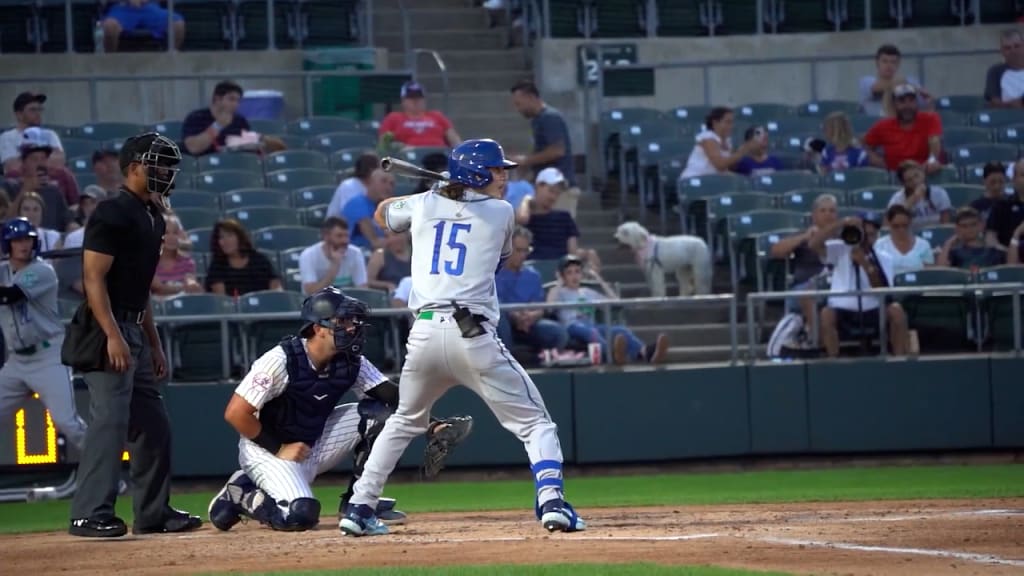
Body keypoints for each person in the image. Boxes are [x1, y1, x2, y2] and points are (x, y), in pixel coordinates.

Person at [339, 139, 587, 536]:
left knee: (404, 421)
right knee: (536, 424)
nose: (504, 176)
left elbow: (385, 214)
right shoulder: (501, 211)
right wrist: (443, 195)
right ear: (476, 174)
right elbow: (497, 254)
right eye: (497, 170)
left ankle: (359, 508)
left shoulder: (426, 204)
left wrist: (432, 196)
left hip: (423, 335)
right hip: (472, 335)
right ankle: (553, 502)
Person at [207, 287, 473, 532]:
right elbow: (236, 413)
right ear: (318, 328)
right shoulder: (281, 359)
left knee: (383, 415)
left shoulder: (350, 360)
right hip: (268, 451)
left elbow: (393, 399)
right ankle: (239, 492)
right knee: (301, 515)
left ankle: (357, 503)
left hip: (313, 443)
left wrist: (433, 424)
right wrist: (278, 448)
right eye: (343, 321)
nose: (352, 327)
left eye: (352, 321)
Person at [69, 132, 202, 537]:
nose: (165, 172)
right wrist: (113, 335)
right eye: (157, 164)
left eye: (167, 164)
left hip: (136, 329)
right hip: (104, 325)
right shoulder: (112, 212)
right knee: (109, 421)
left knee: (154, 424)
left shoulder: (154, 215)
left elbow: (141, 287)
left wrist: (154, 342)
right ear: (133, 168)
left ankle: (153, 512)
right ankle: (89, 512)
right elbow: (93, 279)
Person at [0, 218, 87, 463]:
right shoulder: (3, 270)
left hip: (48, 355)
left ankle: (107, 475)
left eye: (27, 239)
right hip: (16, 360)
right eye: (17, 240)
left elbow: (10, 295)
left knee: (68, 423)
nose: (23, 245)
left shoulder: (42, 271)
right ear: (7, 244)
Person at [816, 214, 908, 358]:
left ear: (877, 236)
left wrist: (865, 263)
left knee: (897, 311)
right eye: (865, 234)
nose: (867, 239)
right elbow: (814, 244)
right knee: (826, 314)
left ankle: (898, 359)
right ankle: (832, 360)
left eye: (871, 235)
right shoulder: (840, 250)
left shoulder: (884, 257)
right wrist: (841, 223)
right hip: (842, 308)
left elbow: (883, 291)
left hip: (874, 309)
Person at [547, 254, 667, 365]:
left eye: (577, 272)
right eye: (569, 273)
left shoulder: (588, 292)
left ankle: (644, 352)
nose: (574, 276)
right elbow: (550, 307)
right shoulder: (559, 292)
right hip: (572, 325)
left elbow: (615, 302)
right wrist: (559, 282)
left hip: (592, 325)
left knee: (620, 330)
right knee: (592, 333)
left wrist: (598, 278)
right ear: (563, 276)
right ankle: (614, 356)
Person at [509, 80, 580, 217]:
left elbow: (557, 150)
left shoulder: (550, 118)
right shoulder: (537, 121)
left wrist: (525, 160)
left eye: (519, 104)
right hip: (546, 188)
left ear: (531, 97)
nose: (518, 109)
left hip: (560, 188)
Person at [496, 227, 569, 355]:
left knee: (558, 333)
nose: (523, 255)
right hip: (504, 323)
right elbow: (496, 304)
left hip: (528, 324)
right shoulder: (494, 273)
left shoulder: (533, 275)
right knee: (500, 318)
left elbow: (540, 307)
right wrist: (514, 316)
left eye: (526, 250)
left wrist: (532, 316)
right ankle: (507, 364)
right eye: (518, 250)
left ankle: (546, 362)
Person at [2, 129, 73, 231]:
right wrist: (25, 190)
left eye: (43, 159)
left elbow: (68, 222)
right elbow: (5, 222)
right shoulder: (9, 186)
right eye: (34, 159)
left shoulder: (54, 191)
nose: (40, 164)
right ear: (23, 163)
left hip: (52, 244)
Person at [863, 84, 944, 173]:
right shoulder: (883, 126)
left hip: (925, 173)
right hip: (896, 177)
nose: (907, 106)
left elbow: (934, 140)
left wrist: (932, 160)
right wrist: (878, 161)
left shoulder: (930, 119)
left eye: (911, 100)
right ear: (894, 105)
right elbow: (864, 146)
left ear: (916, 102)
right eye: (902, 101)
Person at [205, 218, 282, 296]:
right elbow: (222, 300)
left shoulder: (259, 259)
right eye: (221, 237)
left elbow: (276, 288)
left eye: (230, 235)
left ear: (239, 237)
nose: (225, 240)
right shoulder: (217, 266)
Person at [182, 81, 261, 157]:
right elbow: (193, 148)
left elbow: (250, 148)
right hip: (205, 166)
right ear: (217, 99)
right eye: (231, 99)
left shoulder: (240, 121)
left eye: (238, 101)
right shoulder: (196, 117)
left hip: (234, 164)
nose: (236, 104)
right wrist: (218, 125)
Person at [378, 82, 461, 148]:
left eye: (419, 97)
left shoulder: (437, 116)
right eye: (411, 97)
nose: (416, 101)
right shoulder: (393, 118)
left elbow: (455, 140)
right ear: (403, 100)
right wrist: (400, 147)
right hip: (408, 159)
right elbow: (383, 145)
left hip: (439, 157)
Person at [679, 107, 752, 179]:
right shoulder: (708, 138)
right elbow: (720, 165)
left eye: (732, 122)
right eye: (728, 122)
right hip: (696, 181)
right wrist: (741, 152)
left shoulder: (727, 141)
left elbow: (729, 166)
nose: (731, 126)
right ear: (715, 123)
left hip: (714, 181)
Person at [298, 217, 367, 294]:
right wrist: (334, 267)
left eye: (347, 236)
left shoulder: (355, 253)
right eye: (339, 236)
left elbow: (362, 289)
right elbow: (310, 292)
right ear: (326, 236)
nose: (345, 241)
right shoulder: (308, 256)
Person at [0, 92, 65, 172]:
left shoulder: (50, 135)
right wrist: (44, 161)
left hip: (49, 182)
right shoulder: (8, 137)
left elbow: (59, 162)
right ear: (19, 115)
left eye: (40, 110)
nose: (38, 114)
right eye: (33, 110)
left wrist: (27, 160)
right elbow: (11, 167)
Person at [859, 44, 930, 117]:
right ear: (877, 63)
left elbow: (925, 102)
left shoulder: (910, 81)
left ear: (898, 64)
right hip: (872, 123)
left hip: (901, 124)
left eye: (893, 62)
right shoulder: (866, 81)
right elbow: (877, 87)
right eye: (884, 61)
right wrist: (912, 87)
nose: (889, 65)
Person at [887, 160, 953, 229]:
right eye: (909, 180)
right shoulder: (897, 198)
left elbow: (945, 225)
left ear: (922, 173)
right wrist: (914, 198)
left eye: (916, 175)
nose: (915, 181)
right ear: (904, 183)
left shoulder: (939, 193)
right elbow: (891, 221)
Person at [873, 204, 934, 276]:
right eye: (896, 226)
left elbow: (929, 274)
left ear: (910, 223)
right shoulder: (880, 245)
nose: (901, 230)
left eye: (905, 226)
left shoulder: (923, 245)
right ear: (889, 224)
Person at [100, 0, 185, 52]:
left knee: (178, 24)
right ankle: (110, 62)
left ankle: (170, 62)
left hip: (150, 8)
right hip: (121, 8)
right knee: (110, 27)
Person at [151, 213, 202, 298]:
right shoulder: (147, 262)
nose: (171, 237)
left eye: (175, 233)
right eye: (166, 232)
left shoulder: (187, 261)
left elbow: (190, 280)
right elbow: (158, 288)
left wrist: (192, 285)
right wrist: (183, 287)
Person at [937, 207, 1006, 269]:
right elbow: (941, 272)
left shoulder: (995, 252)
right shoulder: (953, 252)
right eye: (964, 226)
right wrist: (948, 243)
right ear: (957, 228)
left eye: (973, 224)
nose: (969, 229)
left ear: (981, 225)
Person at [342, 168, 393, 251]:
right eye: (383, 181)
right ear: (370, 182)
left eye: (392, 184)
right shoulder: (358, 203)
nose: (388, 187)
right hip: (356, 254)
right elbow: (374, 241)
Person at [327, 153, 379, 218]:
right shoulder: (349, 186)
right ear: (371, 170)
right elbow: (355, 215)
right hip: (336, 226)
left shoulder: (372, 188)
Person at [984, 29, 1024, 108]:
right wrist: (1016, 104)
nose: (1013, 51)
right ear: (1002, 51)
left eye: (1017, 46)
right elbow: (994, 102)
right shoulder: (995, 71)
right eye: (1008, 48)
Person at [366, 229, 411, 294]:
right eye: (387, 236)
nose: (391, 239)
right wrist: (387, 285)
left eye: (395, 235)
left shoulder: (417, 254)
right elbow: (368, 281)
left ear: (407, 235)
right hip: (386, 298)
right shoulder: (379, 254)